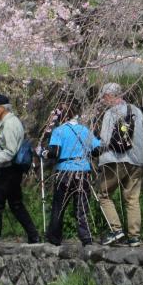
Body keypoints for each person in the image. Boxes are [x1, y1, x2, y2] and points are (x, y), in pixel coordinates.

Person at [0, 94, 40, 243]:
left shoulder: (9, 125)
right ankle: (34, 236)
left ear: (1, 108)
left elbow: (10, 151)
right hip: (13, 170)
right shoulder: (13, 122)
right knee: (16, 204)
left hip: (8, 170)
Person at [44, 102, 100, 246]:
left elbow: (55, 153)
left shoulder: (59, 131)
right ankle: (86, 239)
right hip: (83, 171)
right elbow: (96, 150)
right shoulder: (85, 130)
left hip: (64, 172)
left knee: (59, 207)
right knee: (82, 207)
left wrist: (43, 153)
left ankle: (54, 238)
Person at [96, 83, 143, 247]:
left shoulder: (110, 113)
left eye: (104, 97)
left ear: (110, 96)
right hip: (136, 160)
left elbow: (105, 139)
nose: (103, 101)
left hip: (115, 160)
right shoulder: (137, 111)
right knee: (132, 198)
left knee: (104, 193)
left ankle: (116, 230)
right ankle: (134, 237)